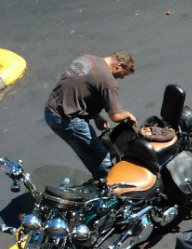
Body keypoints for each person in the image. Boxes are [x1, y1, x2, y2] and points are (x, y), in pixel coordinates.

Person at [44, 51, 137, 180]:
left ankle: (99, 179)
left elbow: (81, 90)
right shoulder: (108, 81)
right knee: (102, 160)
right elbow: (116, 116)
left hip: (51, 110)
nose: (121, 78)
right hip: (67, 119)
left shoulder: (87, 59)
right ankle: (112, 189)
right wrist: (128, 115)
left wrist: (96, 116)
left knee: (89, 153)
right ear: (119, 65)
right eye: (123, 74)